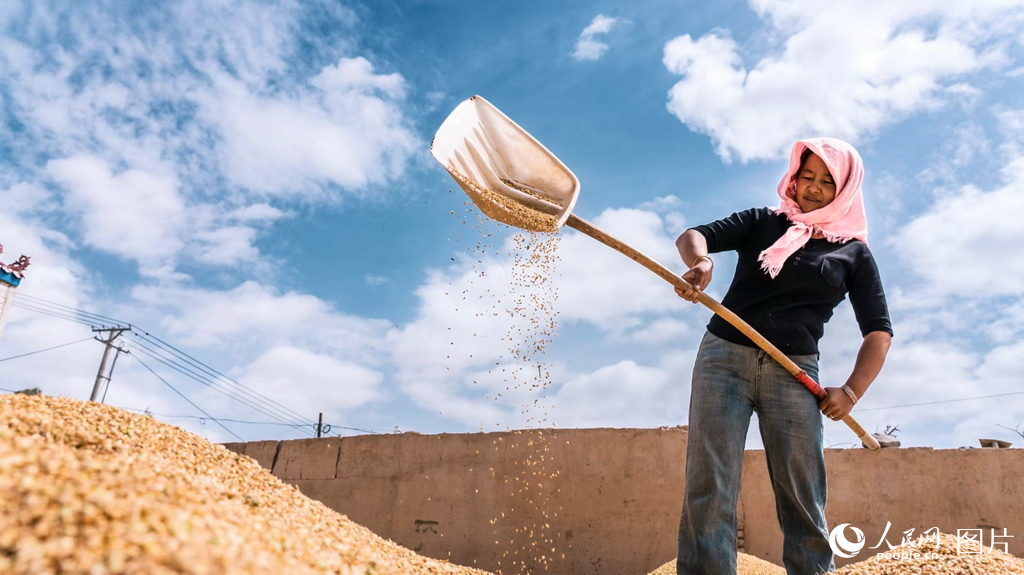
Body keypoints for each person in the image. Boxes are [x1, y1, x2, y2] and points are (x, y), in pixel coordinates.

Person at [673, 137, 893, 575]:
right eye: (806, 176)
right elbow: (693, 235)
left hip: (794, 376)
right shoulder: (762, 221)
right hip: (723, 359)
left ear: (845, 188)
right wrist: (703, 264)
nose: (812, 187)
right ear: (793, 176)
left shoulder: (853, 253)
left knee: (802, 489)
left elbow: (878, 332)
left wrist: (851, 391)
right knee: (710, 482)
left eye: (826, 181)